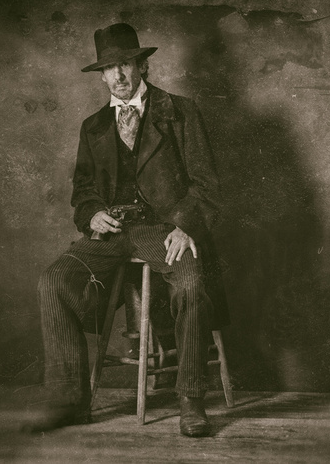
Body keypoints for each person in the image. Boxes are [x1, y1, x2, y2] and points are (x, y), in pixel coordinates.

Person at [28, 23, 226, 437]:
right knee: (54, 279)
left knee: (190, 286)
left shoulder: (180, 111)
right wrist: (92, 215)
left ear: (143, 66)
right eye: (109, 69)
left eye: (125, 65)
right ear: (100, 76)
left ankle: (191, 399)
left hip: (163, 229)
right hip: (114, 233)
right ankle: (68, 399)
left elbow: (206, 186)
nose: (117, 75)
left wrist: (184, 226)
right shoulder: (94, 126)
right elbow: (82, 192)